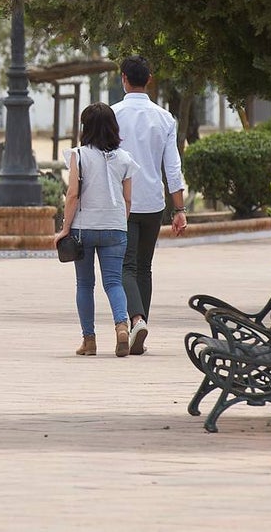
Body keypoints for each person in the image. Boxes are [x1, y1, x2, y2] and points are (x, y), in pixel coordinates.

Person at [111, 56, 187, 356]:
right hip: (154, 203)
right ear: (149, 79)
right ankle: (139, 328)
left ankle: (136, 320)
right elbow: (173, 168)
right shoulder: (165, 118)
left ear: (124, 78)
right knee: (144, 267)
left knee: (125, 266)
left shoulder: (113, 115)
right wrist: (179, 210)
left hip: (122, 202)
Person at [55, 103, 138, 357]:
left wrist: (64, 229)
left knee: (84, 284)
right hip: (115, 227)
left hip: (84, 229)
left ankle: (89, 341)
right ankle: (122, 327)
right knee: (113, 282)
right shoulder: (124, 158)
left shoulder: (79, 155)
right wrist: (119, 222)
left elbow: (72, 195)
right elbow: (127, 199)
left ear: (86, 127)